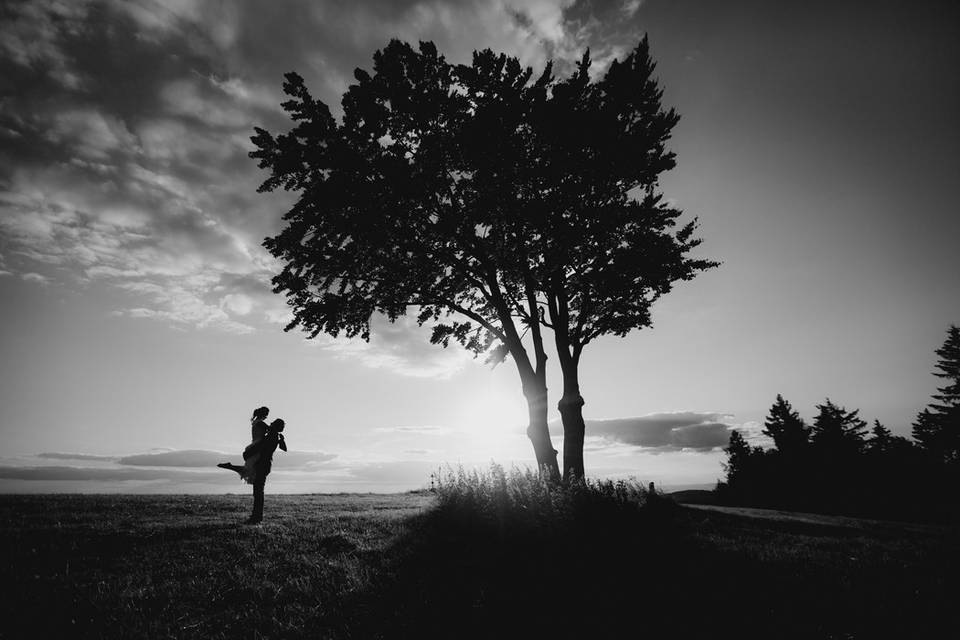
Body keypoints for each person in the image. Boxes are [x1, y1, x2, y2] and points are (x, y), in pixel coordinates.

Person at [218, 409, 287, 524]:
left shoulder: (271, 435)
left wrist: (246, 454)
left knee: (258, 493)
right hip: (264, 465)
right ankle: (256, 517)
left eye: (273, 423)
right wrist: (281, 439)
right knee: (258, 492)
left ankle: (256, 518)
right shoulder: (274, 435)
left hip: (261, 465)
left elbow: (260, 446)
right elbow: (283, 448)